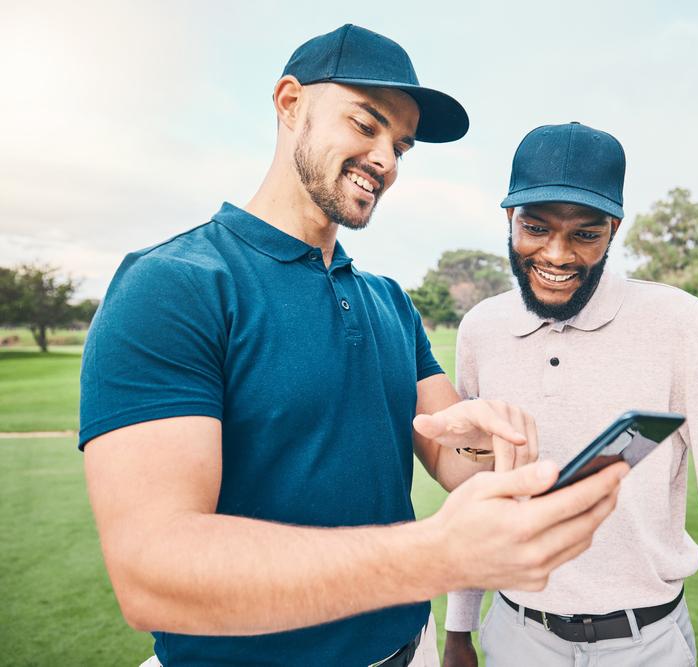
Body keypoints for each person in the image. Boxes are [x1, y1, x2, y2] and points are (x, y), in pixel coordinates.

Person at [80, 28, 626, 667]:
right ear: (289, 103)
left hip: (410, 649)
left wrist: (500, 452)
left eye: (400, 146)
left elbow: (451, 449)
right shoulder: (174, 285)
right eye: (365, 125)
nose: (386, 160)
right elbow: (153, 574)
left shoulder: (387, 299)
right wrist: (437, 555)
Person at [442, 122, 698, 666]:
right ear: (510, 220)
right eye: (536, 228)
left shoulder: (681, 324)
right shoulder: (481, 330)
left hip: (647, 643)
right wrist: (459, 628)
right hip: (516, 635)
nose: (557, 254)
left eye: (585, 234)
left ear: (614, 228)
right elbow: (479, 487)